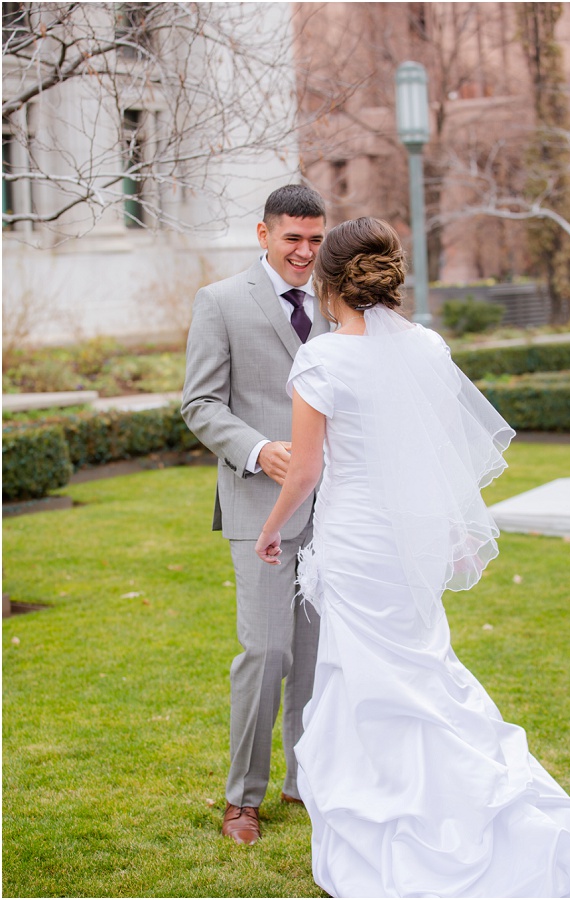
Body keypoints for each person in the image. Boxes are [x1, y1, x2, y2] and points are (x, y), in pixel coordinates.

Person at [253, 217, 570, 898]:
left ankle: (391, 816)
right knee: (418, 662)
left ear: (329, 282)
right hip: (408, 537)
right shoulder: (430, 347)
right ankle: (440, 798)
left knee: (364, 677)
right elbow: (442, 452)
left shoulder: (322, 360)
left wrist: (272, 528)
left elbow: (305, 471)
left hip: (356, 541)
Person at [182, 184, 329, 845]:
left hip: (334, 512)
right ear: (263, 234)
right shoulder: (220, 303)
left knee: (317, 655)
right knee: (265, 653)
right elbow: (200, 403)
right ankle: (243, 799)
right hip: (259, 506)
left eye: (316, 240)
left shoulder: (334, 302)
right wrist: (257, 448)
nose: (305, 252)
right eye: (293, 238)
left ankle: (307, 780)